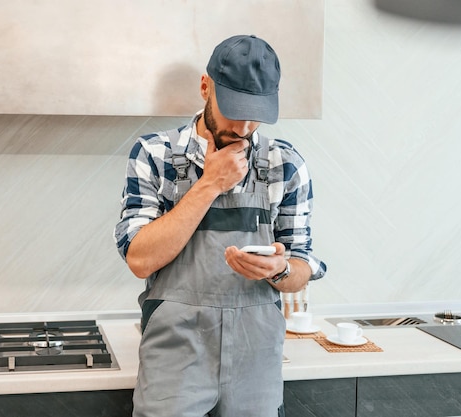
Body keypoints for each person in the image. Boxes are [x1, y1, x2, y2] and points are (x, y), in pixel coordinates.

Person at [114, 34, 326, 417]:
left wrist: (280, 270)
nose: (244, 126)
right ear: (204, 87)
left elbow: (301, 267)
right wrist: (210, 183)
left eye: (256, 112)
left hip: (256, 361)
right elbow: (140, 260)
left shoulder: (286, 165)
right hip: (174, 362)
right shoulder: (154, 155)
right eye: (234, 109)